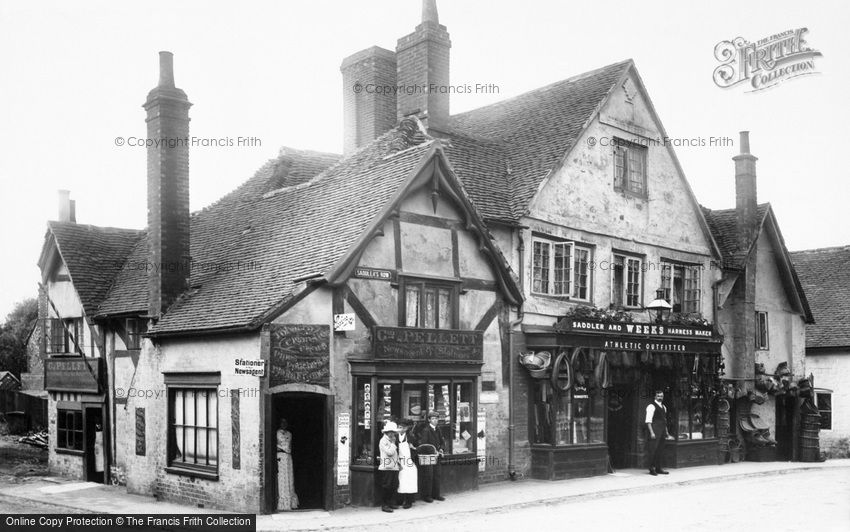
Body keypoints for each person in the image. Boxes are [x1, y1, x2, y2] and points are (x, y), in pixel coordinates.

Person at [417, 411, 446, 502]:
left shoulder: (438, 429)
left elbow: (442, 442)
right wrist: (434, 451)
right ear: (429, 420)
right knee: (428, 476)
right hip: (428, 456)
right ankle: (427, 496)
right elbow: (424, 445)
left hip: (437, 456)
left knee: (437, 475)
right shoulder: (426, 430)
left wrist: (441, 449)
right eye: (433, 419)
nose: (435, 420)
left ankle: (436, 495)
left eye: (436, 418)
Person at [645, 390, 674, 475]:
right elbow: (648, 421)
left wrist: (667, 431)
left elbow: (664, 421)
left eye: (661, 396)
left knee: (660, 450)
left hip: (662, 431)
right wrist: (652, 433)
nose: (660, 398)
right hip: (654, 431)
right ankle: (651, 468)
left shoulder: (664, 407)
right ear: (655, 397)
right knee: (652, 450)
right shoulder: (651, 406)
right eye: (658, 396)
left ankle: (658, 468)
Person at [378, 421, 400, 513]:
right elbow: (390, 452)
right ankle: (384, 505)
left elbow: (395, 453)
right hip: (386, 467)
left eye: (393, 432)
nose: (393, 434)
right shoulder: (383, 441)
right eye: (391, 432)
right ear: (387, 432)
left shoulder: (391, 440)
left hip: (394, 466)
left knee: (394, 485)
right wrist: (393, 443)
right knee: (386, 486)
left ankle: (390, 502)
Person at [277, 418, 299, 511]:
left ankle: (291, 503)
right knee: (282, 478)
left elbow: (290, 446)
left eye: (285, 422)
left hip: (288, 457)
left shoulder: (289, 434)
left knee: (290, 478)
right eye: (282, 422)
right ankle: (283, 503)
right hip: (280, 456)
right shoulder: (277, 433)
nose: (284, 424)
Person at [396, 419, 418, 509]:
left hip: (409, 461)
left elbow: (417, 448)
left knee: (410, 480)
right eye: (398, 427)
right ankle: (400, 500)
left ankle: (409, 501)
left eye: (401, 427)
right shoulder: (396, 437)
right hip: (400, 461)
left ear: (405, 429)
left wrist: (413, 448)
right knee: (401, 481)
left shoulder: (411, 437)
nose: (399, 429)